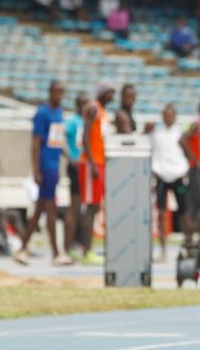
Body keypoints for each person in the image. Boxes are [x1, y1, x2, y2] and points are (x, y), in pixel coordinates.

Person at [14, 81, 73, 266]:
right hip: (45, 167)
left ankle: (23, 248)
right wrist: (36, 170)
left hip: (54, 166)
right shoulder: (42, 113)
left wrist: (67, 156)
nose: (59, 96)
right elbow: (36, 142)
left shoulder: (59, 113)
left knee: (40, 210)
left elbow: (55, 140)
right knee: (50, 210)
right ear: (50, 92)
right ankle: (56, 253)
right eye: (56, 92)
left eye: (61, 92)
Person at [79, 80, 116, 265]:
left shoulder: (101, 110)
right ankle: (86, 250)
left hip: (99, 161)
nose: (113, 97)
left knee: (94, 206)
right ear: (102, 92)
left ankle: (87, 249)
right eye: (110, 93)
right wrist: (92, 164)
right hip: (91, 163)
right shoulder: (93, 108)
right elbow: (84, 137)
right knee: (90, 207)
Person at [150, 103, 191, 262]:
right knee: (161, 214)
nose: (168, 118)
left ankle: (188, 248)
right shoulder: (156, 133)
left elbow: (188, 152)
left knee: (184, 213)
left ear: (175, 117)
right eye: (165, 115)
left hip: (178, 175)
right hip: (161, 176)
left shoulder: (181, 133)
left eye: (170, 115)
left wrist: (187, 169)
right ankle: (163, 251)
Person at [180, 97, 200, 240]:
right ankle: (192, 237)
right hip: (196, 170)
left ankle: (196, 237)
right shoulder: (197, 124)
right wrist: (195, 160)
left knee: (199, 205)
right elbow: (182, 139)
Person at [64, 92, 88, 258]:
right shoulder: (72, 121)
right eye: (82, 103)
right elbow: (59, 138)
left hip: (86, 167)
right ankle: (68, 246)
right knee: (74, 206)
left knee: (82, 208)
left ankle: (79, 244)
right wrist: (69, 157)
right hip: (76, 167)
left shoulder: (87, 122)